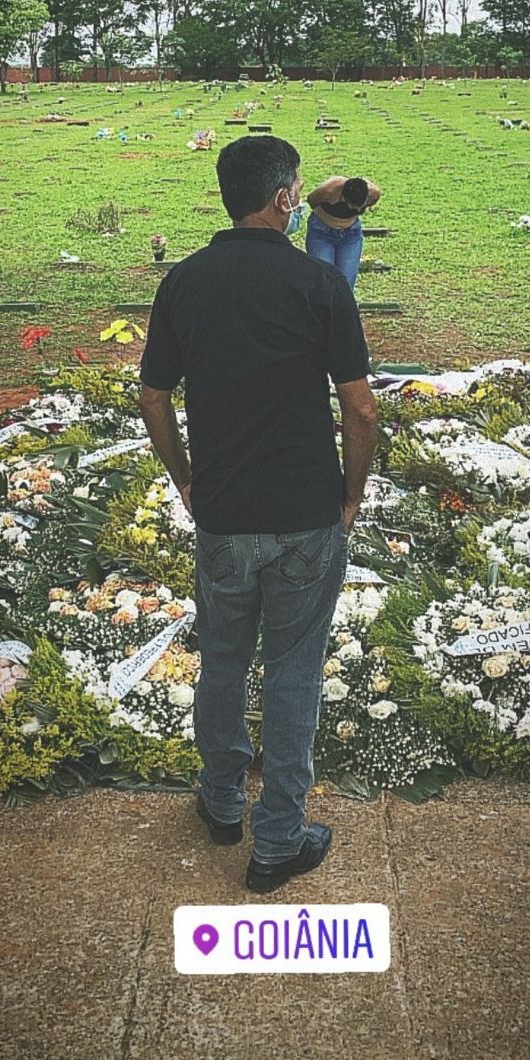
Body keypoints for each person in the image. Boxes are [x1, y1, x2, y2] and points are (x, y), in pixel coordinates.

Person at [139, 135, 379, 893]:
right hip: (306, 512)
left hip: (223, 512)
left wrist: (184, 478)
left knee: (224, 658)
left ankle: (218, 803)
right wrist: (351, 493)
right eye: (298, 188)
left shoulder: (184, 282)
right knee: (295, 669)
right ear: (282, 200)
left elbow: (153, 395)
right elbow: (362, 410)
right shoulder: (318, 284)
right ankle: (278, 838)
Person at [304, 174, 382, 292]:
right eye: (352, 206)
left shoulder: (374, 193)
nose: (355, 210)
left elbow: (372, 202)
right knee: (324, 280)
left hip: (350, 235)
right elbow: (311, 200)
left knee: (346, 282)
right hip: (322, 233)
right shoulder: (330, 189)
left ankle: (343, 309)